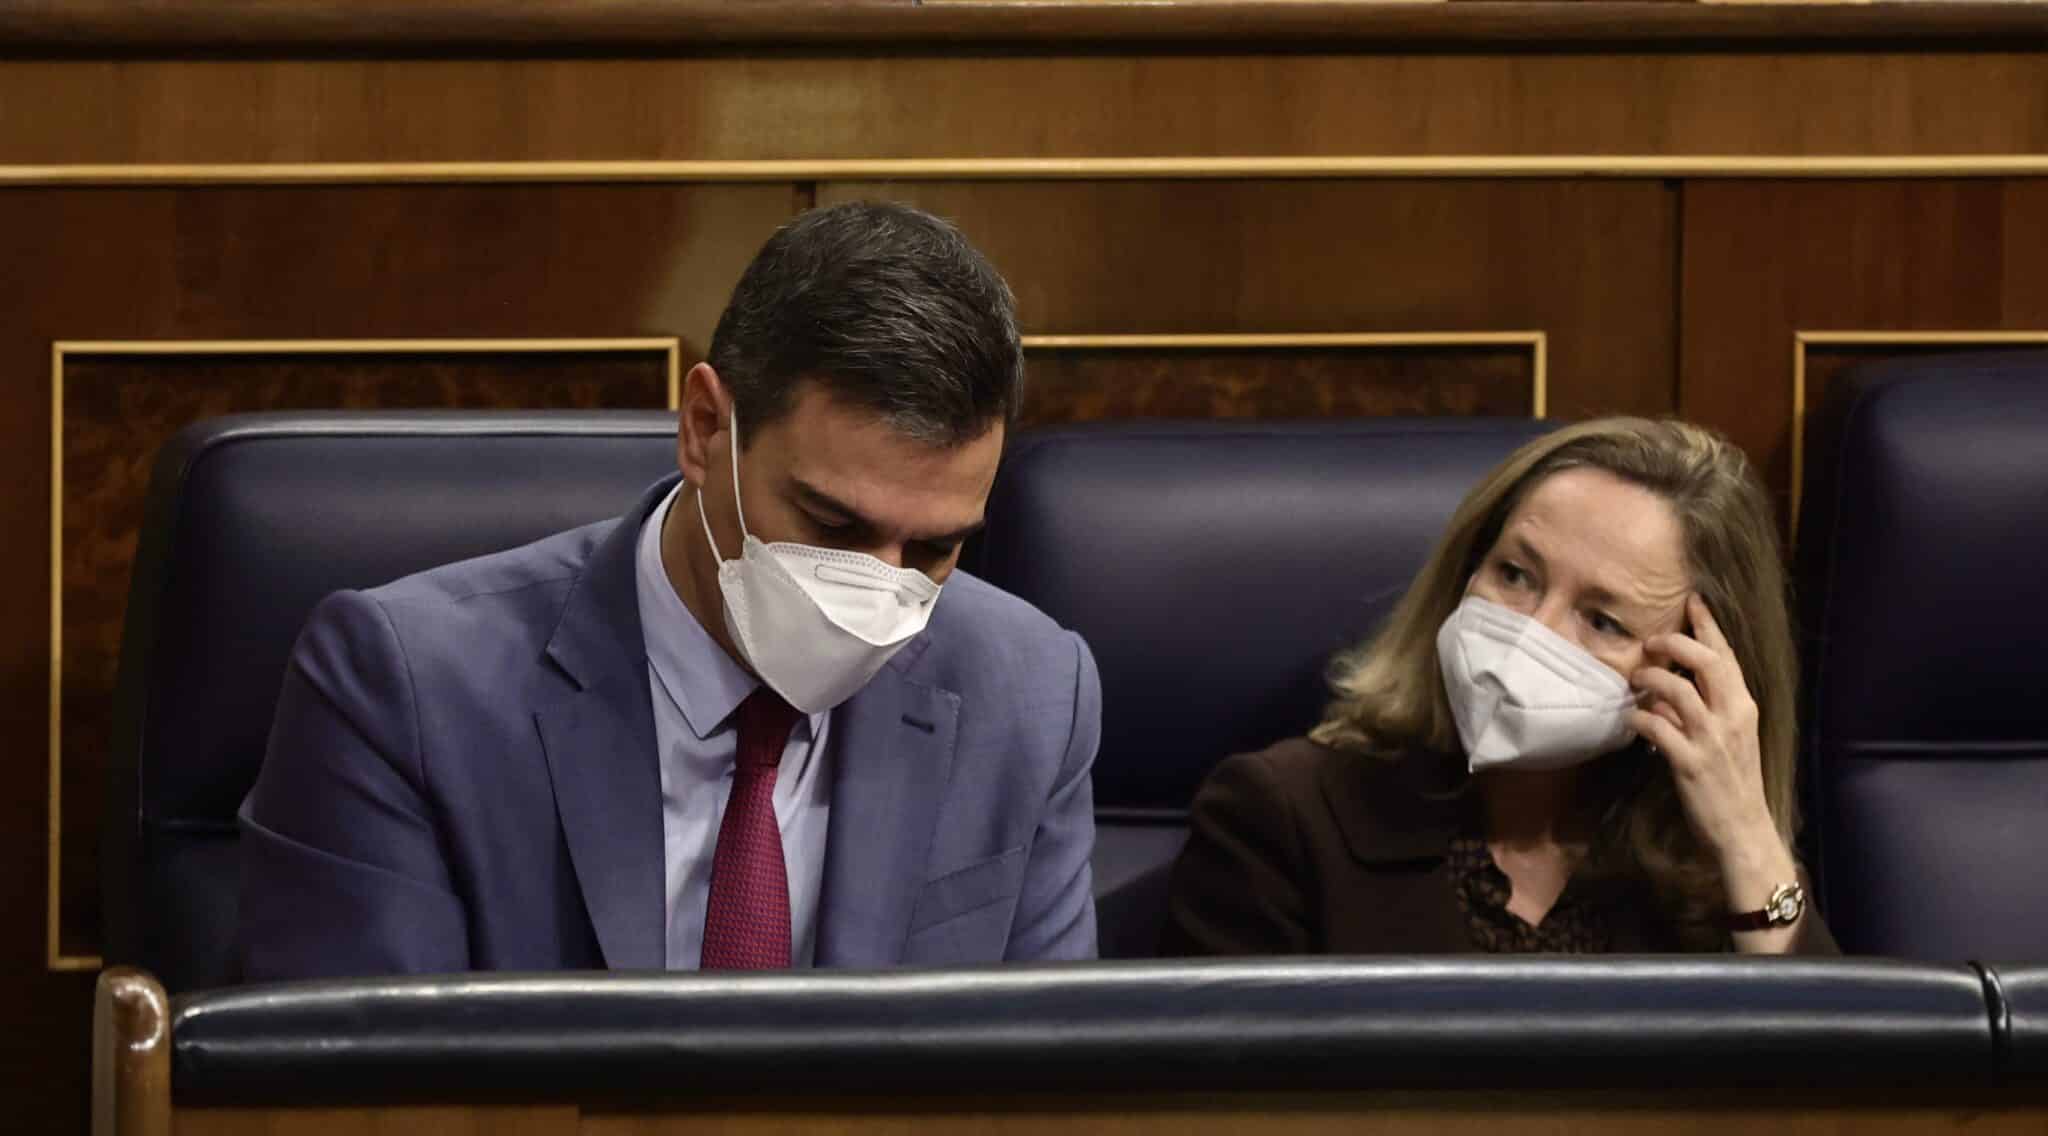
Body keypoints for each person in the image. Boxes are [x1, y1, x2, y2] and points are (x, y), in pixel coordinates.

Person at [239, 202, 1100, 979]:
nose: (878, 588)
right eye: (833, 528)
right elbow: (363, 1125)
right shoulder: (405, 694)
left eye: (935, 549)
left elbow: (1043, 1111)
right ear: (704, 432)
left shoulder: (1030, 696)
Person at [1163, 417, 1837, 956]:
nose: (1530, 633)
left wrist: (1749, 840)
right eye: (1515, 575)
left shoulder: (1716, 873)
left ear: (1692, 674)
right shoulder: (1281, 817)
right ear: (1465, 573)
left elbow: (1838, 1114)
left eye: (1601, 619)